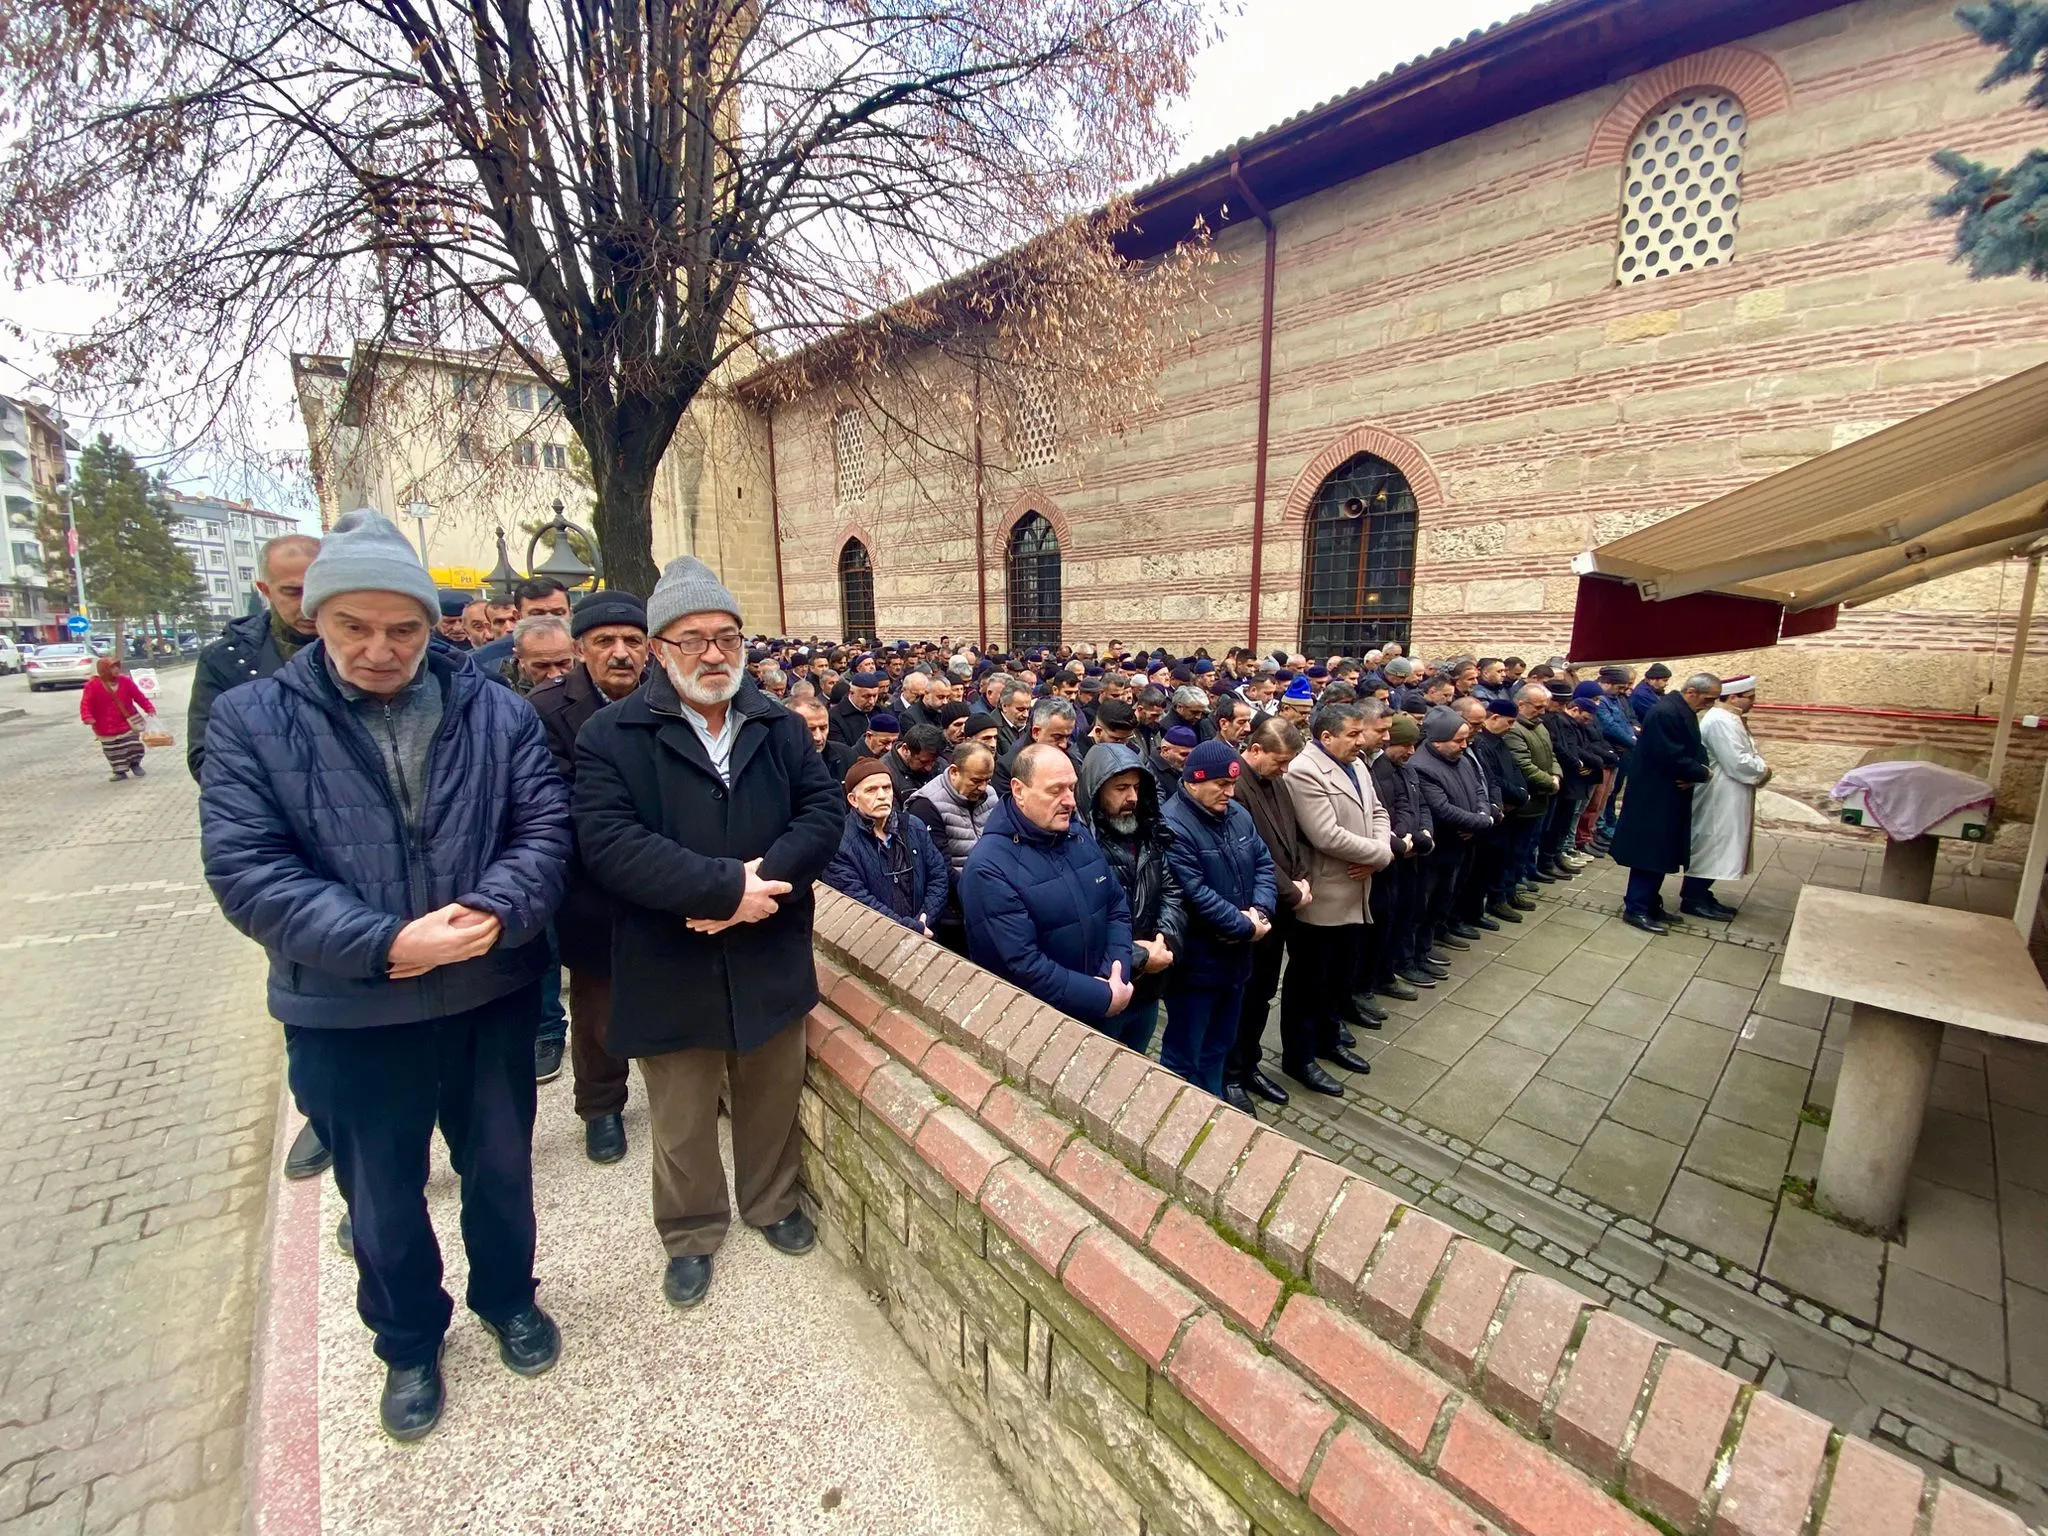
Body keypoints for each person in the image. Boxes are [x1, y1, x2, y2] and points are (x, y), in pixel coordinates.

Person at [199, 508, 571, 1442]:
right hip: (348, 1004)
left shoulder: (496, 710)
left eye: (402, 628)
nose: (379, 649)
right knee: (381, 1190)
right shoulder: (253, 719)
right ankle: (408, 1341)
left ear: (429, 625)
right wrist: (383, 943)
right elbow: (249, 869)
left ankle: (507, 1298)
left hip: (486, 990)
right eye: (352, 628)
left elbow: (542, 830)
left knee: (498, 1166)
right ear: (314, 622)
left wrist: (494, 912)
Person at [572, 557, 843, 1310]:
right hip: (668, 957)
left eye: (726, 636)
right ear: (660, 650)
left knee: (769, 1092)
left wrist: (759, 891)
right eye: (692, 640)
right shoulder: (612, 735)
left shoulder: (778, 725)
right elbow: (610, 844)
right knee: (682, 1113)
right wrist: (723, 889)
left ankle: (771, 1202)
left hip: (769, 945)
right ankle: (691, 1231)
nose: (714, 654)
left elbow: (822, 815)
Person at [528, 589, 649, 1165]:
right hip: (592, 890)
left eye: (632, 641)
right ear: (581, 650)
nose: (620, 653)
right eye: (605, 642)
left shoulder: (669, 701)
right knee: (599, 1010)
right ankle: (601, 1106)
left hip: (663, 883)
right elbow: (555, 807)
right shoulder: (547, 710)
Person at [958, 743, 1136, 1033]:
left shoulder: (1077, 834)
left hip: (1101, 1007)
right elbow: (1024, 965)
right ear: (1019, 791)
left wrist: (1114, 973)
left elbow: (1115, 907)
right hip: (1038, 1029)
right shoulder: (988, 868)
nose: (1070, 801)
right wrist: (1100, 995)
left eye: (1072, 788)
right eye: (1056, 791)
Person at [1280, 701, 1393, 1095]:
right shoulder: (1305, 771)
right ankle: (1299, 1058)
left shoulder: (1357, 763)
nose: (1361, 742)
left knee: (1338, 976)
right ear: (1325, 737)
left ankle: (1328, 1040)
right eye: (1352, 734)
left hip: (1357, 885)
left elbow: (1378, 811)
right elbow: (1326, 835)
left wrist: (1380, 855)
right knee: (1309, 980)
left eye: (1362, 733)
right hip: (1325, 894)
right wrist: (1380, 855)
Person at [1159, 742, 1275, 1097]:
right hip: (1197, 964)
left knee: (1220, 1043)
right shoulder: (1172, 825)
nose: (1230, 792)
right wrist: (1246, 926)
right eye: (1221, 784)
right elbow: (1192, 892)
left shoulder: (1237, 815)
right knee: (1185, 1051)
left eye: (1233, 785)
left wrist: (1262, 911)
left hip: (1236, 961)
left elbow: (1264, 865)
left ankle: (1213, 1103)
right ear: (1194, 782)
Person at [1075, 743, 1185, 1052]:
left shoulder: (1149, 834)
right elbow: (1084, 922)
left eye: (1137, 787)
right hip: (1105, 986)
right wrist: (1137, 956)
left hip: (1149, 985)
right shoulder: (1079, 844)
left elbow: (1171, 890)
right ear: (1097, 790)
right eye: (1121, 788)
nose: (1132, 798)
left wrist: (1165, 939)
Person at [188, 532, 323, 780]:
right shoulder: (226, 659)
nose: (307, 604)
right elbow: (206, 759)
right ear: (265, 590)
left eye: (317, 589)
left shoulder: (365, 650)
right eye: (293, 592)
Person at [1226, 717, 1309, 1114]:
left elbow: (1294, 837)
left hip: (1280, 909)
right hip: (1252, 908)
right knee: (1243, 996)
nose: (1284, 770)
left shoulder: (1278, 782)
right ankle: (1230, 1073)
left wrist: (1303, 875)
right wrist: (1292, 890)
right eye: (1279, 761)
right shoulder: (1234, 787)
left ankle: (1250, 1062)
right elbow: (1251, 850)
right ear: (1254, 750)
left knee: (1262, 996)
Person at [1609, 672, 1719, 934]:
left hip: (1669, 794)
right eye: (1708, 698)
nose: (1710, 704)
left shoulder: (1682, 710)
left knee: (1661, 852)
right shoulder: (1666, 712)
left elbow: (1695, 748)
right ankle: (1636, 907)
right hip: (1654, 796)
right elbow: (1668, 754)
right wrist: (1701, 772)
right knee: (1649, 853)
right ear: (1692, 692)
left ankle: (1650, 903)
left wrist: (1698, 770)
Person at [825, 758, 950, 933]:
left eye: (887, 787)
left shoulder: (914, 826)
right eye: (871, 790)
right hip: (876, 940)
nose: (882, 795)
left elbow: (938, 874)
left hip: (926, 932)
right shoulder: (839, 842)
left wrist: (925, 917)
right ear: (853, 800)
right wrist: (908, 927)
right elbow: (856, 898)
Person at [1683, 675, 1768, 921]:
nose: (1753, 702)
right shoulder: (1720, 720)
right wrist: (1764, 770)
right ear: (1733, 697)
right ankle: (1693, 897)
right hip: (1719, 793)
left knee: (1724, 843)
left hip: (1730, 793)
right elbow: (1737, 761)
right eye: (1749, 697)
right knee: (1713, 844)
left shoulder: (1730, 718)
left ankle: (1703, 893)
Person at [1411, 709, 1493, 959]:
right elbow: (1442, 809)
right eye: (1458, 741)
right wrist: (1482, 821)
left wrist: (1481, 817)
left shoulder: (1462, 759)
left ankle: (1437, 934)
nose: (1464, 745)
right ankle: (1418, 951)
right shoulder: (1423, 767)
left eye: (1466, 739)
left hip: (1461, 844)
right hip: (1438, 848)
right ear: (1437, 741)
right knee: (1426, 901)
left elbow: (1480, 791)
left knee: (1447, 895)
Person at [1364, 713, 1435, 995]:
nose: (1411, 751)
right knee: (1381, 925)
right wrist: (1399, 842)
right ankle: (1370, 982)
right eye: (1406, 744)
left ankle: (1391, 969)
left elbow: (1415, 805)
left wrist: (1422, 834)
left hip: (1408, 852)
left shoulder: (1406, 769)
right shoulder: (1377, 770)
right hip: (1389, 859)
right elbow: (1382, 810)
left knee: (1405, 915)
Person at [906, 740, 999, 954]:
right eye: (976, 780)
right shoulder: (926, 805)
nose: (983, 788)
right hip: (954, 913)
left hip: (992, 899)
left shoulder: (990, 795)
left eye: (987, 780)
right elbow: (940, 868)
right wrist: (980, 898)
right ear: (955, 771)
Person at [1505, 684, 1560, 891]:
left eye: (1543, 707)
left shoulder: (1539, 726)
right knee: (1517, 847)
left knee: (1530, 842)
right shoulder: (1515, 730)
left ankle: (1522, 875)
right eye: (1537, 707)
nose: (1542, 712)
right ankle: (1512, 885)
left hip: (1541, 797)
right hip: (1527, 799)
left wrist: (1556, 774)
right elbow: (1523, 765)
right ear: (1521, 704)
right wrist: (1549, 781)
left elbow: (1551, 754)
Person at [471, 578, 573, 682]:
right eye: (537, 614)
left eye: (558, 613)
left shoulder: (587, 653)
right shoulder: (483, 663)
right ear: (518, 616)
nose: (549, 621)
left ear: (570, 614)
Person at [81, 655, 156, 781]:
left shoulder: (125, 681)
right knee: (113, 750)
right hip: (104, 725)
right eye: (112, 667)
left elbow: (138, 696)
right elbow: (86, 703)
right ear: (104, 669)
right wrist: (87, 716)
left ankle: (135, 764)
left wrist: (149, 708)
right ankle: (119, 771)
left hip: (128, 721)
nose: (116, 670)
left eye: (117, 666)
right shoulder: (92, 685)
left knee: (133, 745)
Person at [506, 615, 577, 695]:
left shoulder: (590, 679)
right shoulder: (502, 690)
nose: (554, 675)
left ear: (575, 650)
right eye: (541, 666)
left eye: (563, 663)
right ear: (520, 657)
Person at [1149, 722, 1197, 798]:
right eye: (1184, 754)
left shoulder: (1191, 769)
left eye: (1192, 755)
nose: (1189, 760)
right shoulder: (1149, 771)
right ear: (1165, 751)